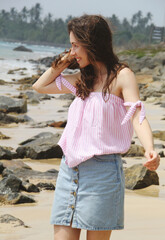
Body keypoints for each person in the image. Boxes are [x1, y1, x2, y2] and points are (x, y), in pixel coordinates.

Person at [32, 14, 160, 240]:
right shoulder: (82, 80)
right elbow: (40, 86)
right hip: (69, 169)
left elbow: (136, 114)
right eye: (70, 46)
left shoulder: (122, 76)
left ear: (92, 43)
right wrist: (63, 61)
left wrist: (149, 147)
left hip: (103, 173)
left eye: (75, 45)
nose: (72, 51)